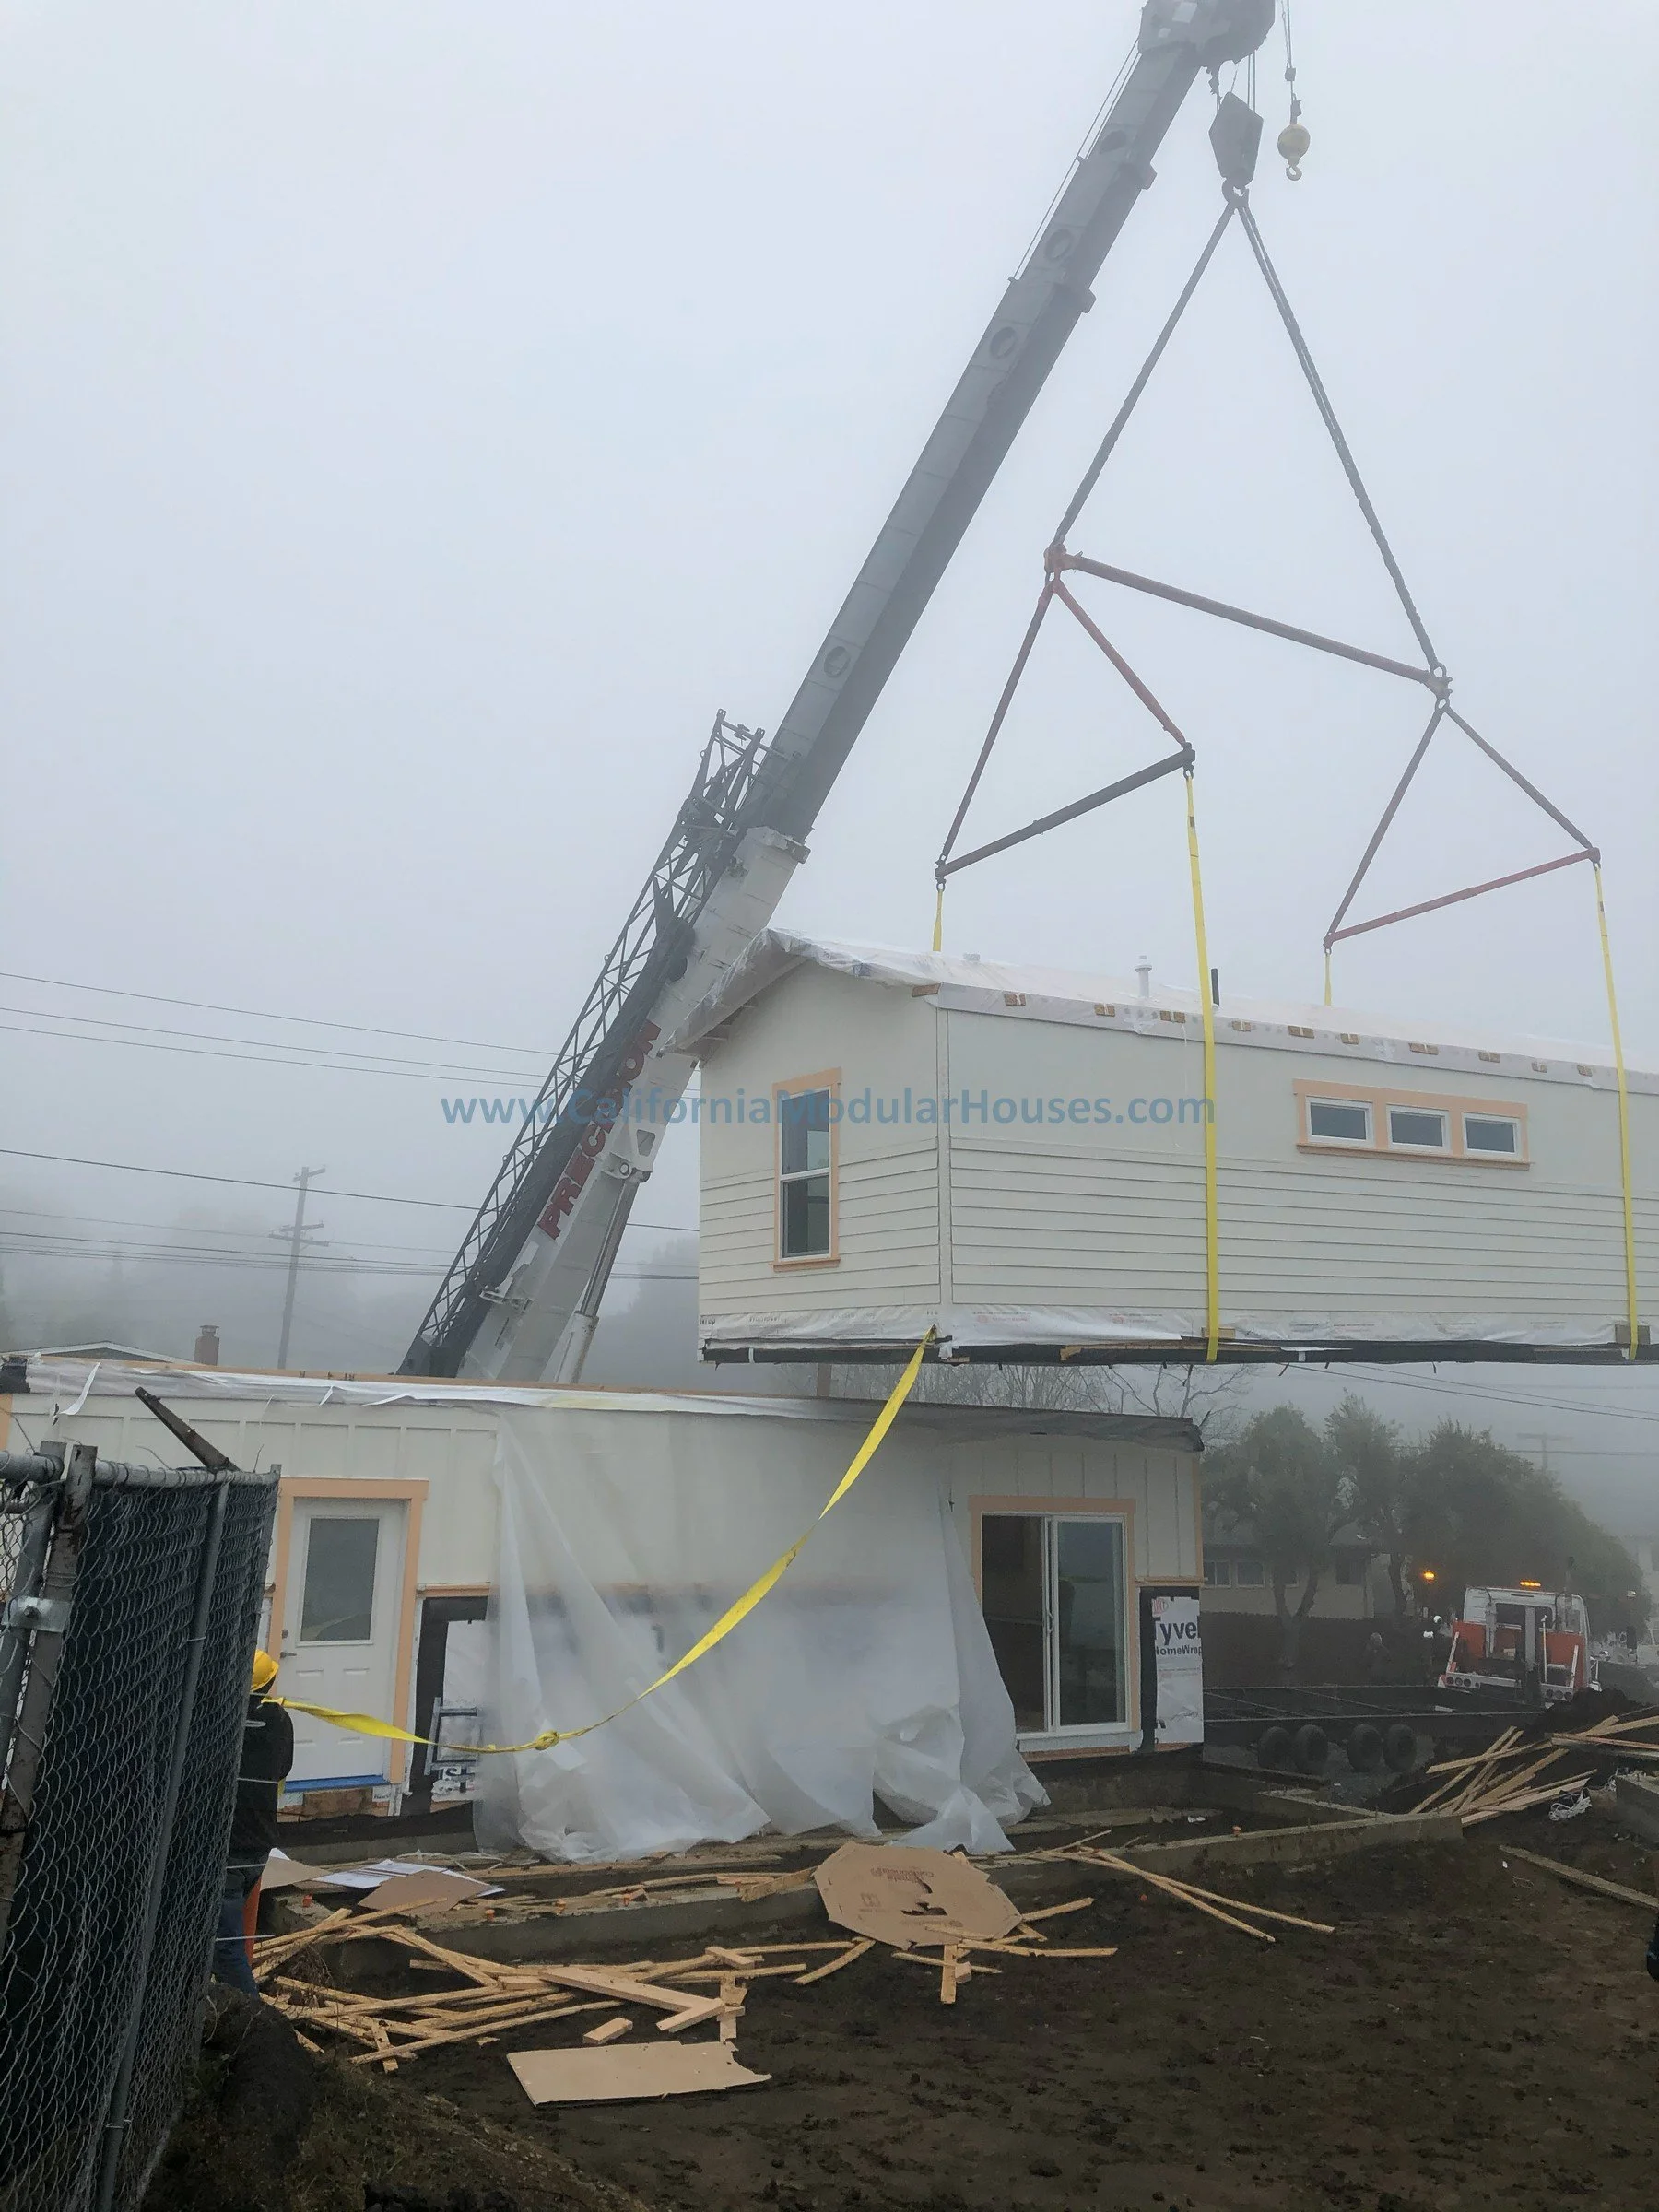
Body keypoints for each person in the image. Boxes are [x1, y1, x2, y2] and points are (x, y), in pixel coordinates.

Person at [211, 1648, 294, 1997]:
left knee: (224, 1948)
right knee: (219, 1940)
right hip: (258, 1848)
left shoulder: (219, 1723)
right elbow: (283, 1769)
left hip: (228, 1850)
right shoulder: (280, 1721)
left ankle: (253, 2022)